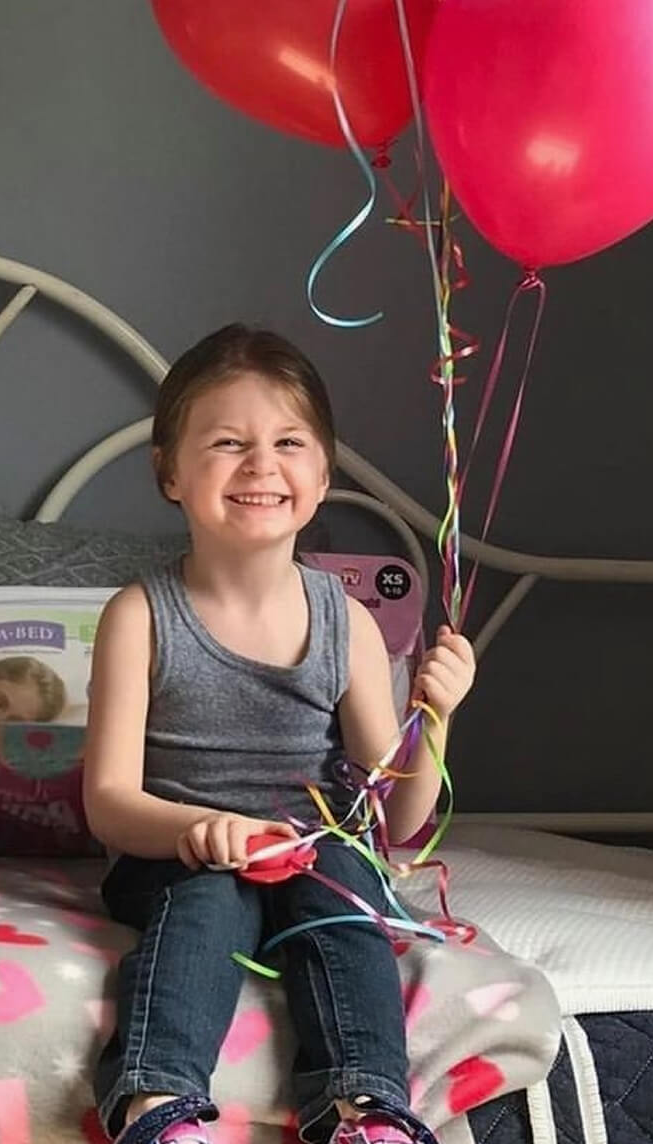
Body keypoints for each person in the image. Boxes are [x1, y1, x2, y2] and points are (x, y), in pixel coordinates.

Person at [83, 325, 476, 1144]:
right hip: (176, 853)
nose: (261, 464)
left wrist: (433, 721)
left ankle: (366, 1110)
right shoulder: (140, 616)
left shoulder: (350, 625)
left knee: (344, 890)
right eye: (228, 443)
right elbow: (110, 804)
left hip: (316, 848)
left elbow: (398, 825)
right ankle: (155, 1104)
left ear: (323, 473)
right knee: (209, 894)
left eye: (288, 442)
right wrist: (200, 831)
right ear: (171, 474)